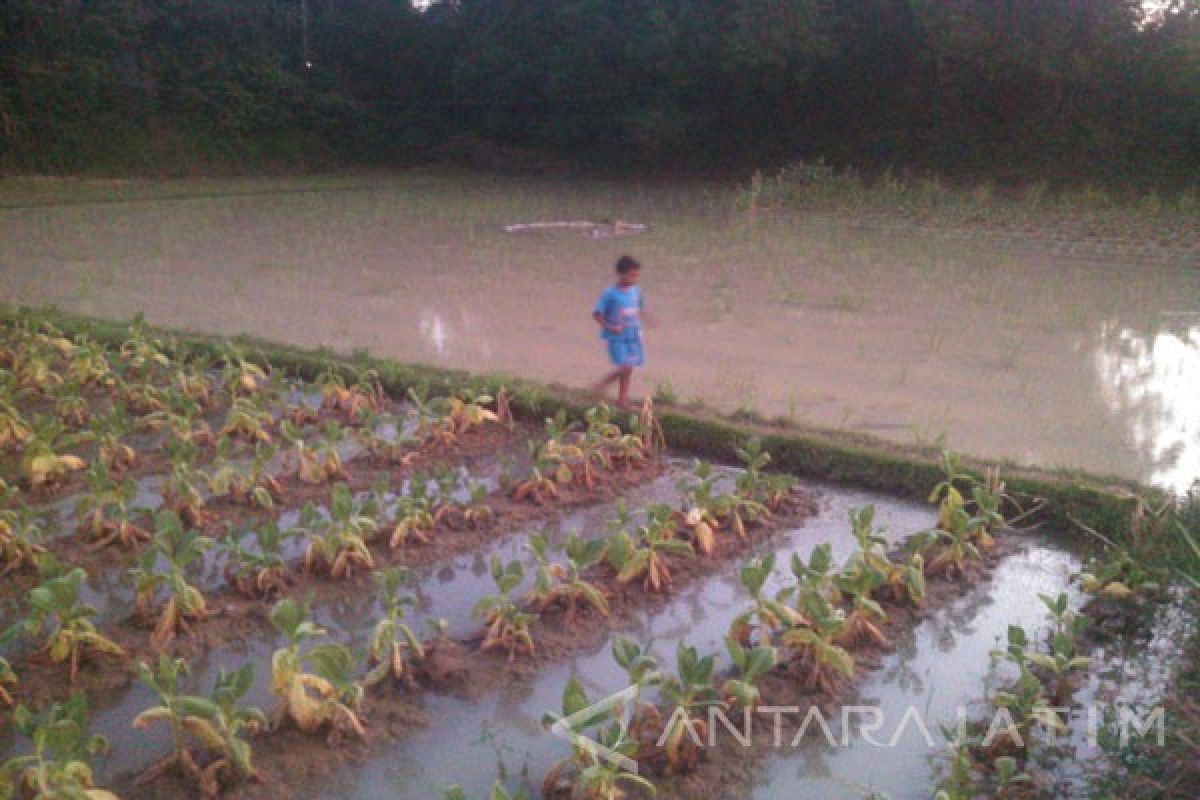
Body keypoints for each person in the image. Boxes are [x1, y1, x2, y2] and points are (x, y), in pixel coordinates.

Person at [592, 255, 646, 408]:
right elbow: (597, 314)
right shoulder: (610, 294)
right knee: (626, 367)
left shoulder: (636, 291)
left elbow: (638, 309)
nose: (635, 278)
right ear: (621, 274)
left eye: (637, 275)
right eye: (632, 275)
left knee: (629, 369)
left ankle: (622, 398)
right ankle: (601, 384)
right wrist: (610, 327)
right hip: (616, 337)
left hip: (633, 336)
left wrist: (646, 320)